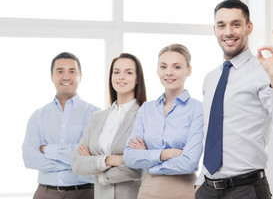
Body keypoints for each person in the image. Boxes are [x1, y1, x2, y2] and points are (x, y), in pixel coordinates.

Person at [195, 0, 273, 199]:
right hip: (207, 190)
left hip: (246, 190)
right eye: (221, 25)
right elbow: (211, 134)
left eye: (236, 24)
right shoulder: (210, 78)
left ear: (248, 27)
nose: (228, 32)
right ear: (214, 29)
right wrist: (201, 180)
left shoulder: (263, 72)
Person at [123, 44, 204, 199]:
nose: (169, 72)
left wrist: (148, 159)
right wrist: (165, 154)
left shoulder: (197, 109)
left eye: (177, 67)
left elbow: (189, 162)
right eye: (163, 66)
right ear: (157, 70)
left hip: (184, 191)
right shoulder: (146, 109)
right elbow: (129, 157)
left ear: (189, 70)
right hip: (148, 191)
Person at [22, 52, 99, 199]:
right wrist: (77, 164)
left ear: (80, 76)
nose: (66, 76)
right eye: (60, 71)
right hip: (45, 193)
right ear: (52, 77)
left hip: (84, 193)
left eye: (72, 71)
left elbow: (93, 156)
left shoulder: (94, 114)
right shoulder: (38, 116)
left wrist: (47, 150)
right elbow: (29, 158)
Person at [72, 53, 147, 199]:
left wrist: (97, 171)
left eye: (129, 72)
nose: (121, 77)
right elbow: (77, 163)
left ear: (138, 78)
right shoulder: (97, 117)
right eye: (116, 72)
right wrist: (110, 160)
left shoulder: (144, 116)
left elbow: (138, 168)